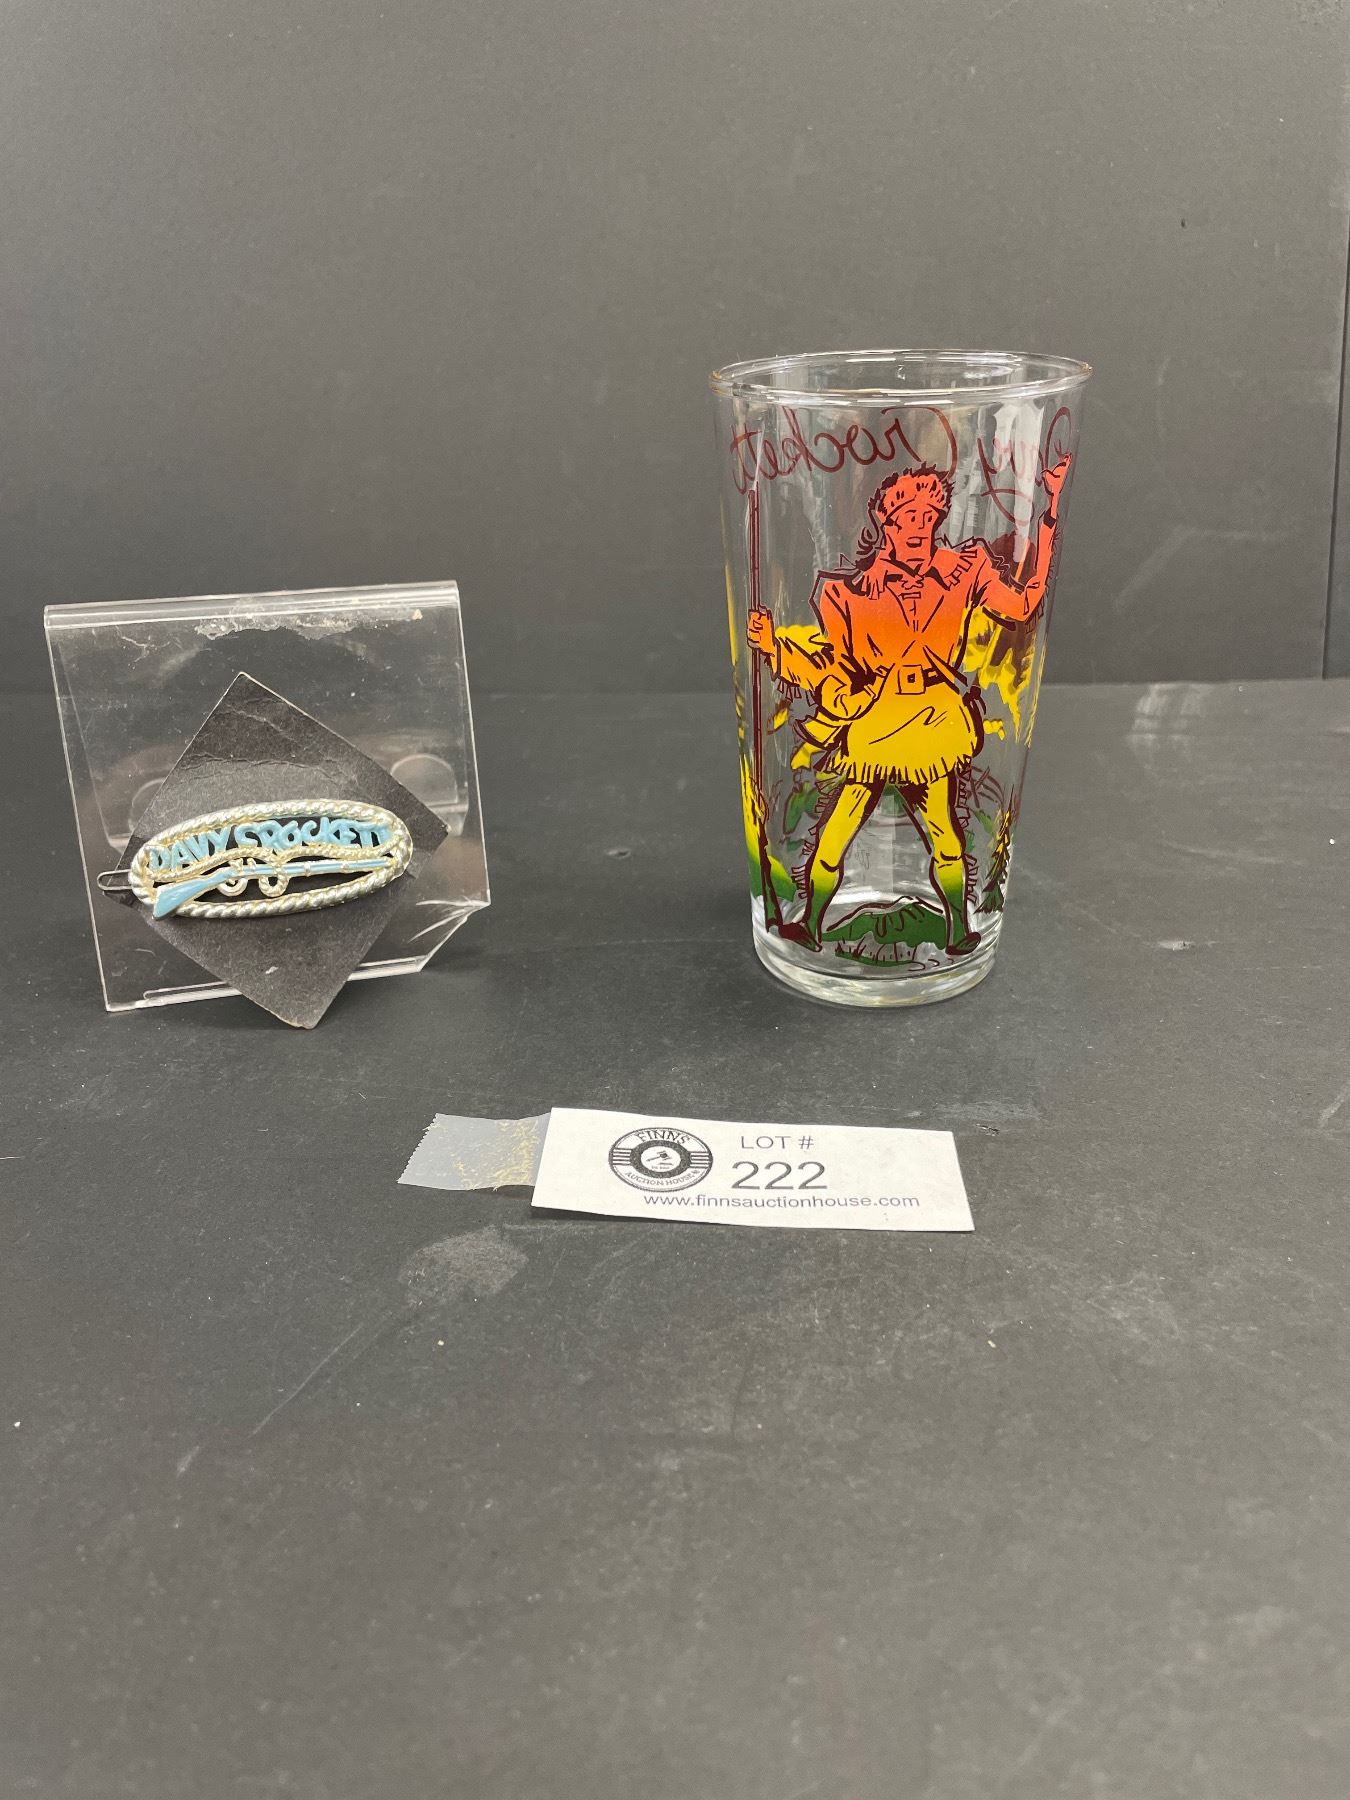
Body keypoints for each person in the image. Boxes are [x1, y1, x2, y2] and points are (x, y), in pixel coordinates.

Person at [748, 454, 1071, 955]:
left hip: (934, 719)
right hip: (876, 718)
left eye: (928, 516)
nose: (919, 526)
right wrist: (773, 647)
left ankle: (959, 927)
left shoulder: (966, 570)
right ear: (886, 521)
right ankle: (809, 923)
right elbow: (831, 670)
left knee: (944, 830)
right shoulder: (847, 594)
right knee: (836, 830)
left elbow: (1026, 603)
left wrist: (1049, 512)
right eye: (907, 517)